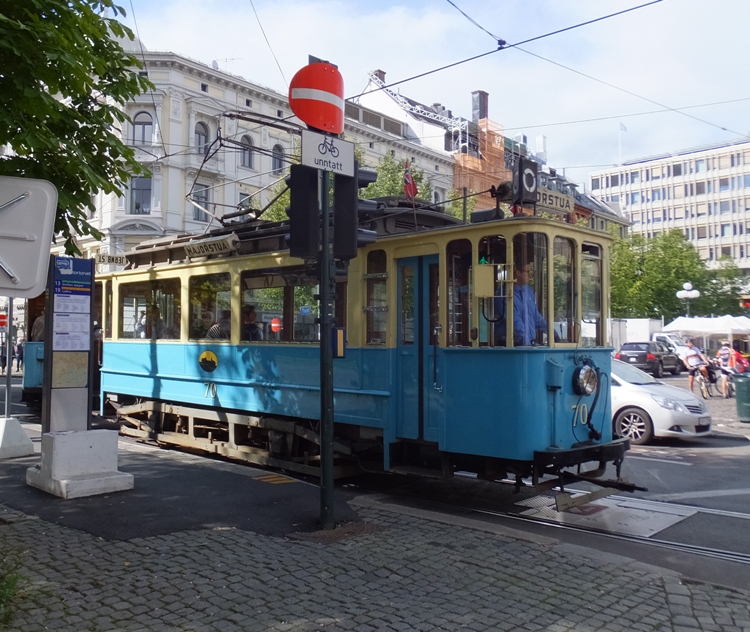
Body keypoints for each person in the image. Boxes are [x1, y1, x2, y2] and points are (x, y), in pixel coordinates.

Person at [494, 262, 547, 346]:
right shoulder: (504, 293)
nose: (530, 275)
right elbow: (514, 319)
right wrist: (526, 342)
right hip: (509, 345)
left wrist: (552, 333)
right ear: (518, 273)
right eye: (528, 272)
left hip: (527, 343)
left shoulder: (529, 291)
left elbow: (536, 316)